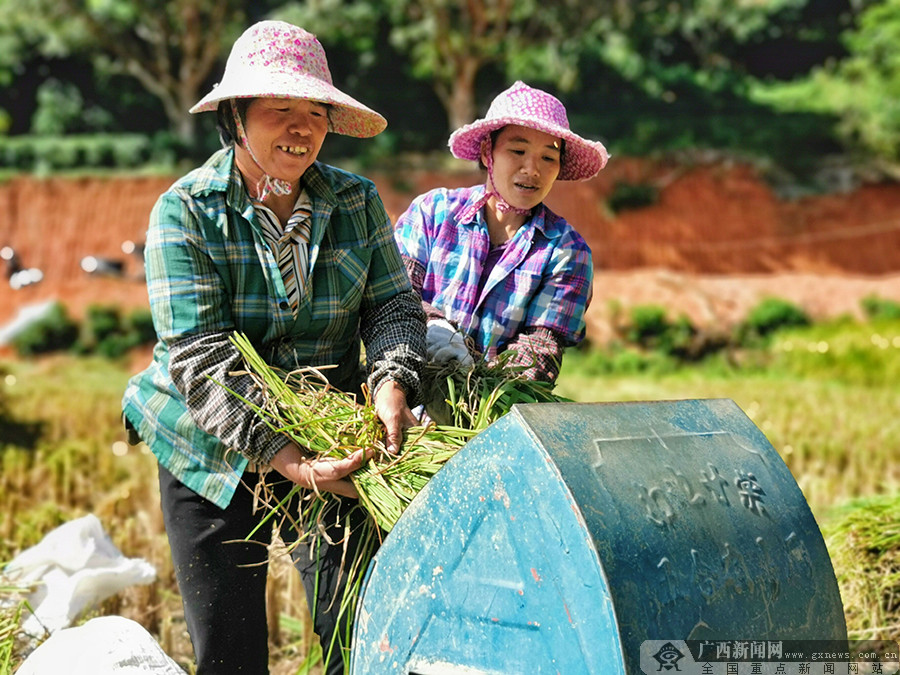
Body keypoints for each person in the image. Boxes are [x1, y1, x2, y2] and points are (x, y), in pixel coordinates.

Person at [121, 20, 426, 675]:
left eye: (315, 112)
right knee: (230, 650)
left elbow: (393, 306)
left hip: (334, 438)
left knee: (360, 631)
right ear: (235, 116)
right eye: (279, 109)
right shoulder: (186, 211)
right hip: (210, 443)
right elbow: (201, 357)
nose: (300, 127)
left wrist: (391, 383)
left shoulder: (355, 201)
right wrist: (287, 458)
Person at [395, 81, 609, 383]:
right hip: (406, 390)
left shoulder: (567, 252)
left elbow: (540, 349)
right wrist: (436, 331)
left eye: (548, 157)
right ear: (487, 152)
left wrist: (477, 383)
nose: (532, 169)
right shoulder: (432, 213)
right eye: (518, 150)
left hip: (496, 403)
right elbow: (396, 296)